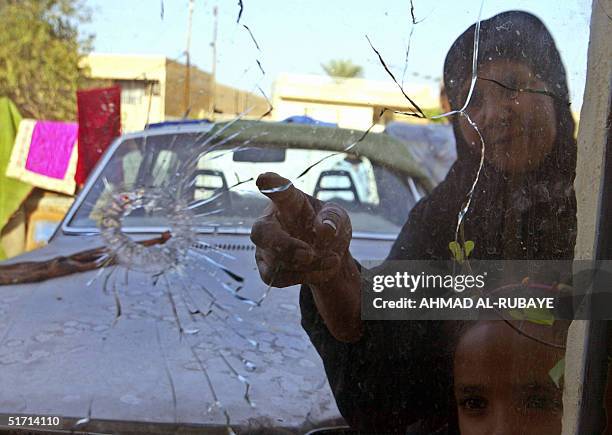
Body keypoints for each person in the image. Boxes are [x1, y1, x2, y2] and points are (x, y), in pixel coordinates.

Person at [250, 10, 577, 433]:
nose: (493, 113)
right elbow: (388, 346)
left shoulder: (598, 197)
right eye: (472, 100)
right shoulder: (444, 213)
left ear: (555, 88)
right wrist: (332, 273)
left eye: (512, 85)